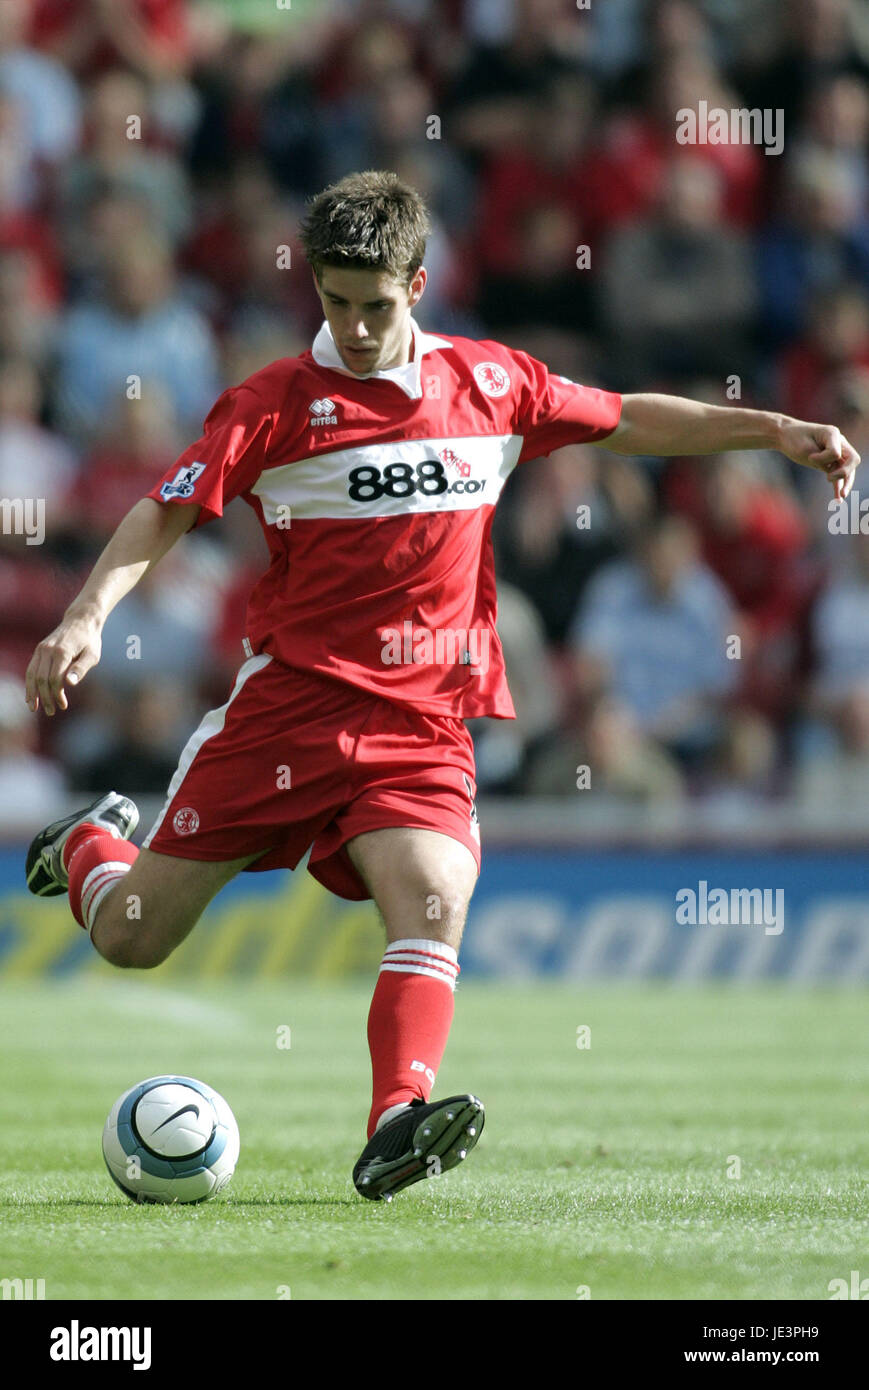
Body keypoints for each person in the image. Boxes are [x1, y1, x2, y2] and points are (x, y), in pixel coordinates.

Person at [23, 170, 860, 1201]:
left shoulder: (489, 383)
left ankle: (395, 1120)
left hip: (423, 721)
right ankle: (92, 843)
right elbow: (164, 509)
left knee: (431, 899)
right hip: (287, 711)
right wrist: (87, 616)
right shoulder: (276, 406)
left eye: (376, 305)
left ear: (417, 282)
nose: (357, 327)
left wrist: (769, 430)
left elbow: (626, 419)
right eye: (334, 303)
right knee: (133, 939)